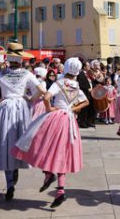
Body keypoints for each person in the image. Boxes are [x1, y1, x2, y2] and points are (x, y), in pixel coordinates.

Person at [12, 58, 89, 208]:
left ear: (66, 68)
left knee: (40, 146)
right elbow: (86, 101)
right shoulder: (76, 85)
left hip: (56, 118)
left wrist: (48, 109)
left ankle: (48, 174)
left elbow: (47, 97)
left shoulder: (59, 83)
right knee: (61, 154)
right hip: (69, 120)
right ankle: (60, 190)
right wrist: (72, 109)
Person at [0, 42, 46, 200]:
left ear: (8, 57)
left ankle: (9, 183)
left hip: (5, 107)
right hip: (21, 107)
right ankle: (15, 169)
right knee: (19, 140)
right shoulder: (27, 74)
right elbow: (42, 90)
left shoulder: (0, 73)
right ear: (21, 59)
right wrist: (30, 99)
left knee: (5, 142)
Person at [77, 61, 95, 128]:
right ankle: (82, 123)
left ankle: (89, 122)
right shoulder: (80, 74)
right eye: (88, 66)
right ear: (84, 67)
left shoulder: (89, 73)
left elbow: (92, 81)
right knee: (84, 109)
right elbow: (80, 84)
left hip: (91, 93)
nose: (89, 67)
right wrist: (87, 89)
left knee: (90, 108)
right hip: (85, 93)